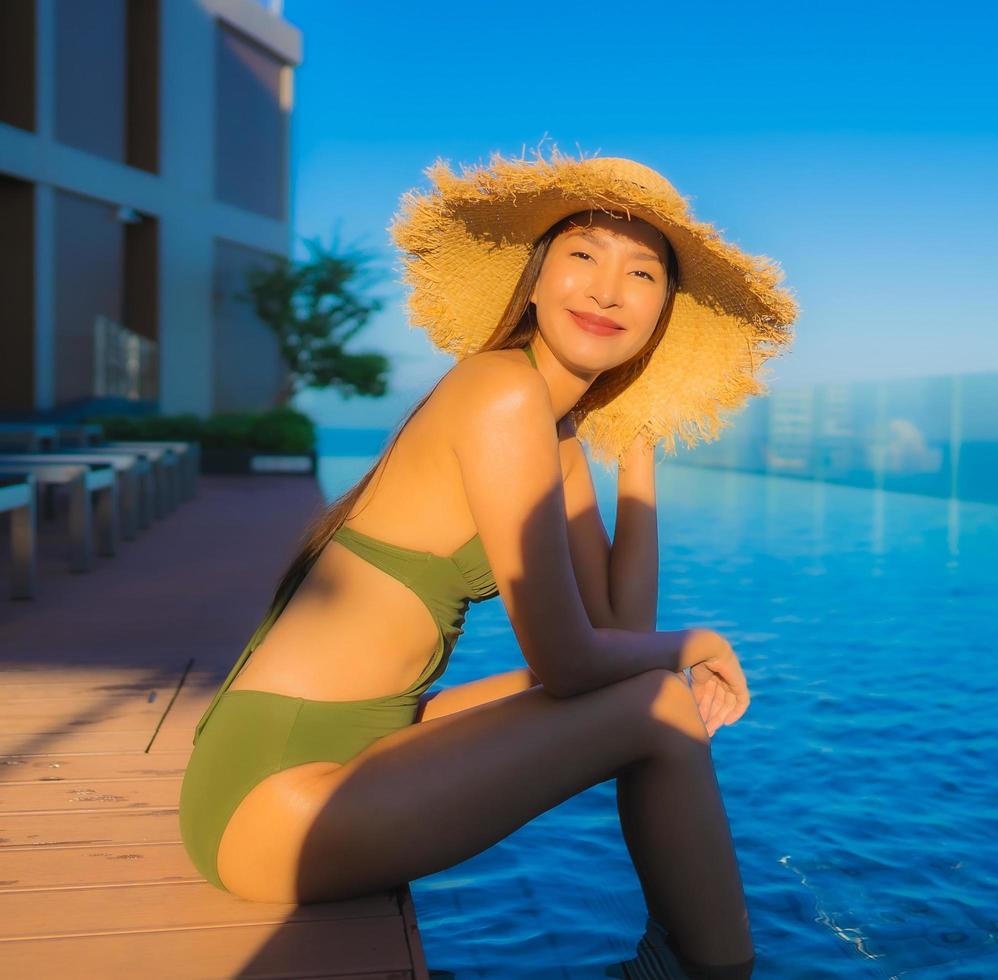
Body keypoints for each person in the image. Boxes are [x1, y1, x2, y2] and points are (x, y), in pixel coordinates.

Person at [177, 149, 799, 980]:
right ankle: (709, 969)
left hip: (360, 740)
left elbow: (619, 635)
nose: (609, 289)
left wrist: (639, 444)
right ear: (535, 282)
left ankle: (681, 961)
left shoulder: (557, 435)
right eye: (582, 256)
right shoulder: (498, 393)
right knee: (658, 700)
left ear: (662, 314)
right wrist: (703, 641)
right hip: (272, 800)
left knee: (653, 699)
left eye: (642, 274)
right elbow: (573, 662)